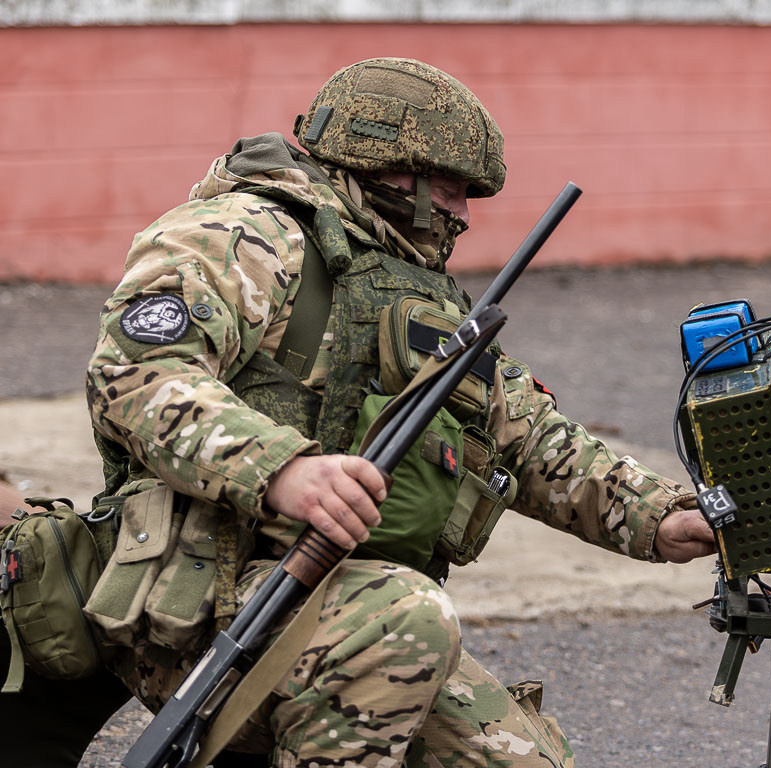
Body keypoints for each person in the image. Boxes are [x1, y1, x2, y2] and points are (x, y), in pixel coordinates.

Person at [81, 57, 716, 767]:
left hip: (345, 606)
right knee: (408, 621)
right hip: (206, 604)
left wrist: (663, 516)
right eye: (450, 188)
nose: (463, 215)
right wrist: (280, 468)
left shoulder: (413, 286)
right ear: (386, 164)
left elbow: (527, 436)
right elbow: (134, 373)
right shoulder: (246, 233)